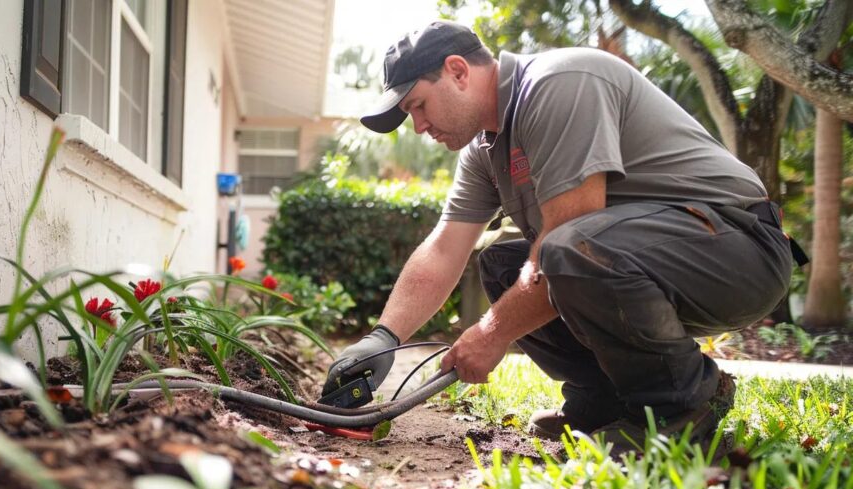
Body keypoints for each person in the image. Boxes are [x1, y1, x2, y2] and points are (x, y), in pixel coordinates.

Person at [321, 21, 800, 450]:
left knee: (566, 246)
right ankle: (604, 400)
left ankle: (680, 407)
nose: (419, 126)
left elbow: (568, 232)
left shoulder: (559, 83)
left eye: (418, 106)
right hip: (661, 256)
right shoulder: (485, 150)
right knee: (503, 261)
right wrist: (383, 338)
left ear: (457, 70)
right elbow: (447, 245)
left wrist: (490, 334)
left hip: (740, 250)